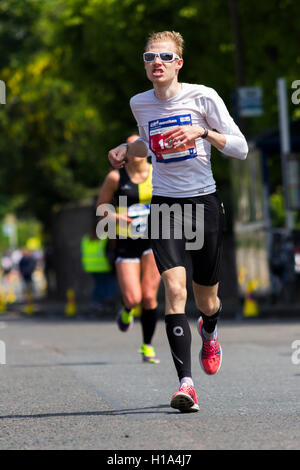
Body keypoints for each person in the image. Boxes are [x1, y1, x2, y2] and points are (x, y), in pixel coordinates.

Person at [108, 31, 248, 412]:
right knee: (174, 292)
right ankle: (185, 384)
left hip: (203, 201)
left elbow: (241, 148)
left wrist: (203, 131)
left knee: (207, 300)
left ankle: (211, 329)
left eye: (166, 57)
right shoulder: (141, 103)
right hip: (165, 204)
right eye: (150, 56)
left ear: (178, 63)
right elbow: (147, 142)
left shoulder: (203, 96)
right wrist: (127, 148)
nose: (157, 62)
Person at [97, 134, 161, 364]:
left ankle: (147, 346)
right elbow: (101, 208)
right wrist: (117, 216)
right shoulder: (115, 177)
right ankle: (125, 311)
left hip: (153, 239)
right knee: (133, 298)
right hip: (126, 241)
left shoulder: (158, 172)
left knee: (149, 296)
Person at [80, 222, 117, 313]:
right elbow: (110, 250)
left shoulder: (86, 238)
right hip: (103, 266)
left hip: (90, 266)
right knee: (107, 285)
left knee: (98, 285)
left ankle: (96, 302)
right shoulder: (104, 238)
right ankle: (105, 302)